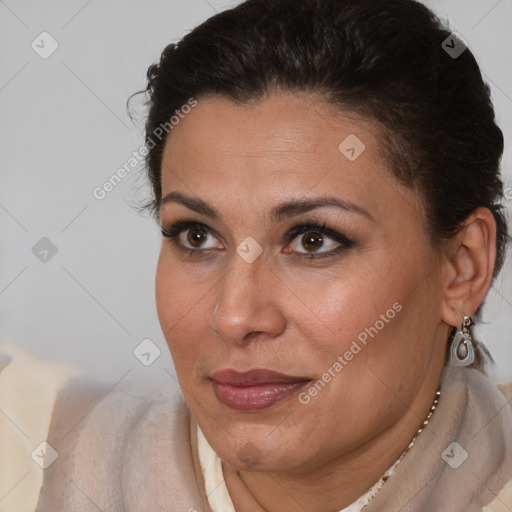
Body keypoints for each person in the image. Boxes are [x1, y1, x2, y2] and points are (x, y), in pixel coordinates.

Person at [3, 0, 512, 510]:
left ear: (461, 269)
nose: (234, 316)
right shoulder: (29, 464)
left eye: (314, 240)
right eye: (197, 236)